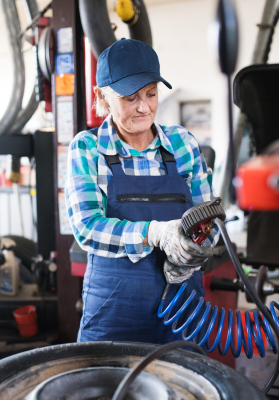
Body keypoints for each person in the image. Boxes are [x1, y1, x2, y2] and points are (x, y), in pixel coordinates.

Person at [65, 38, 218, 344]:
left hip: (182, 307)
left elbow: (209, 221)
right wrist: (155, 233)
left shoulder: (182, 144)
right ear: (102, 97)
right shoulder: (88, 148)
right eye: (130, 98)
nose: (144, 107)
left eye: (151, 94)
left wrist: (189, 256)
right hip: (112, 313)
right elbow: (87, 227)